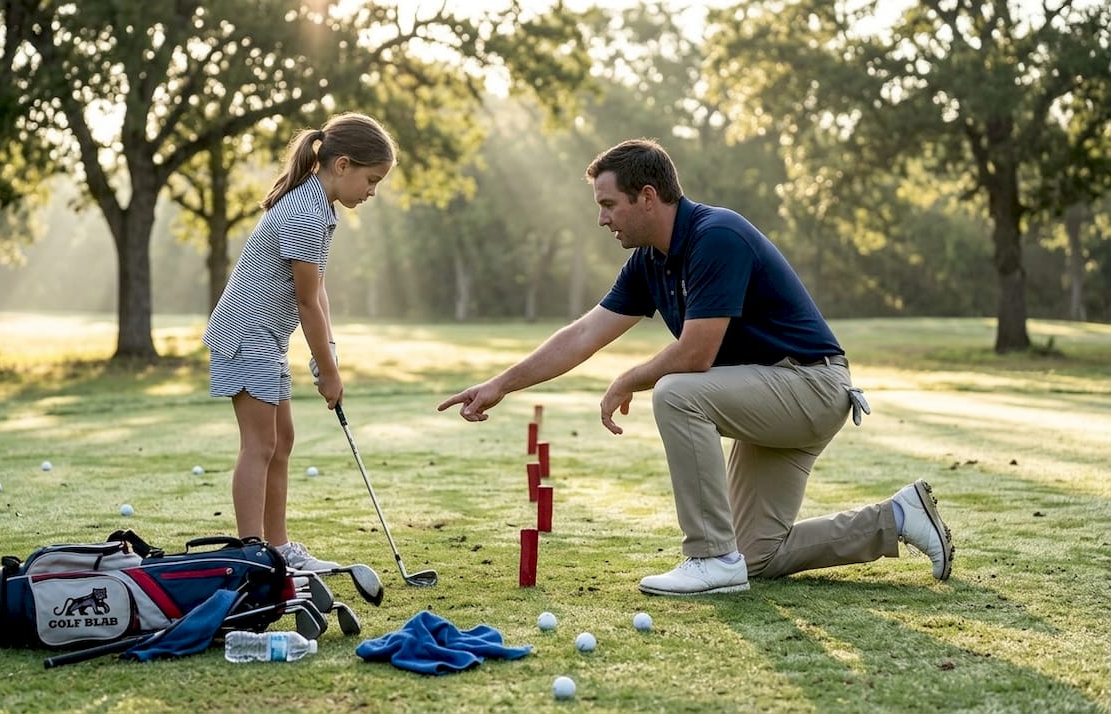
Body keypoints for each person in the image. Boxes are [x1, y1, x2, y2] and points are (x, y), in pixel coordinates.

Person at [438, 138, 954, 596]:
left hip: (811, 386)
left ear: (647, 196)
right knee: (757, 557)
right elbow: (583, 333)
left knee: (677, 391)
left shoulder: (716, 235)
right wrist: (501, 384)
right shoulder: (649, 261)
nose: (602, 219)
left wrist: (627, 379)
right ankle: (898, 518)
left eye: (608, 204)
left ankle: (709, 557)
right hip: (773, 395)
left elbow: (696, 353)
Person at [203, 112, 397, 572]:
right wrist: (328, 373)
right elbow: (307, 303)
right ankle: (254, 555)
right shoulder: (306, 213)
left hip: (264, 339)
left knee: (281, 440)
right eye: (372, 180)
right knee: (259, 445)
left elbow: (318, 292)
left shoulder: (318, 207)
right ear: (343, 165)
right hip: (244, 336)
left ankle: (279, 547)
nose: (372, 192)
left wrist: (327, 354)